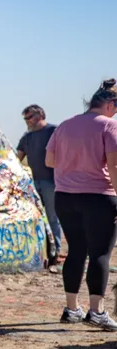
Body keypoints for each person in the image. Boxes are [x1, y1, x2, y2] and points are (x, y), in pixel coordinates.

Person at [46, 79, 117, 331]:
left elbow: (50, 160)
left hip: (65, 196)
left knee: (76, 250)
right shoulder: (109, 126)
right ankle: (96, 312)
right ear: (109, 104)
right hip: (98, 196)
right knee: (100, 253)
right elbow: (114, 166)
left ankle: (72, 308)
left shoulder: (64, 125)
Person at [17, 104, 62, 265]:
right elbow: (17, 159)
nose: (27, 121)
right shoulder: (26, 137)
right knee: (35, 218)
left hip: (52, 181)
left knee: (52, 217)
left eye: (29, 117)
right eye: (25, 118)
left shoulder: (54, 132)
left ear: (39, 115)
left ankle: (55, 252)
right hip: (33, 183)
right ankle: (38, 252)